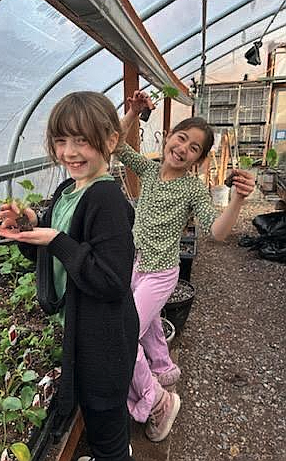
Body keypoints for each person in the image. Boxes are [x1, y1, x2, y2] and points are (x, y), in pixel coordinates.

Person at [0, 91, 139, 461]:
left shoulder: (106, 200)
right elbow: (52, 244)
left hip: (105, 340)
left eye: (82, 140)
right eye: (61, 140)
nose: (69, 151)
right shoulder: (67, 191)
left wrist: (56, 240)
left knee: (104, 422)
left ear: (110, 140)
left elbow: (111, 280)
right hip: (84, 333)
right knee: (97, 418)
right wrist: (28, 225)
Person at [117, 90, 255, 443]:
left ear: (198, 159)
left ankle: (160, 402)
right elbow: (115, 145)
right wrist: (133, 111)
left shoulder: (193, 189)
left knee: (122, 333)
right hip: (137, 264)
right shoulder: (148, 169)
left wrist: (237, 200)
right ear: (169, 137)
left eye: (194, 148)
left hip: (161, 273)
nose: (183, 148)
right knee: (146, 327)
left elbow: (217, 232)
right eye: (181, 138)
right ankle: (163, 370)